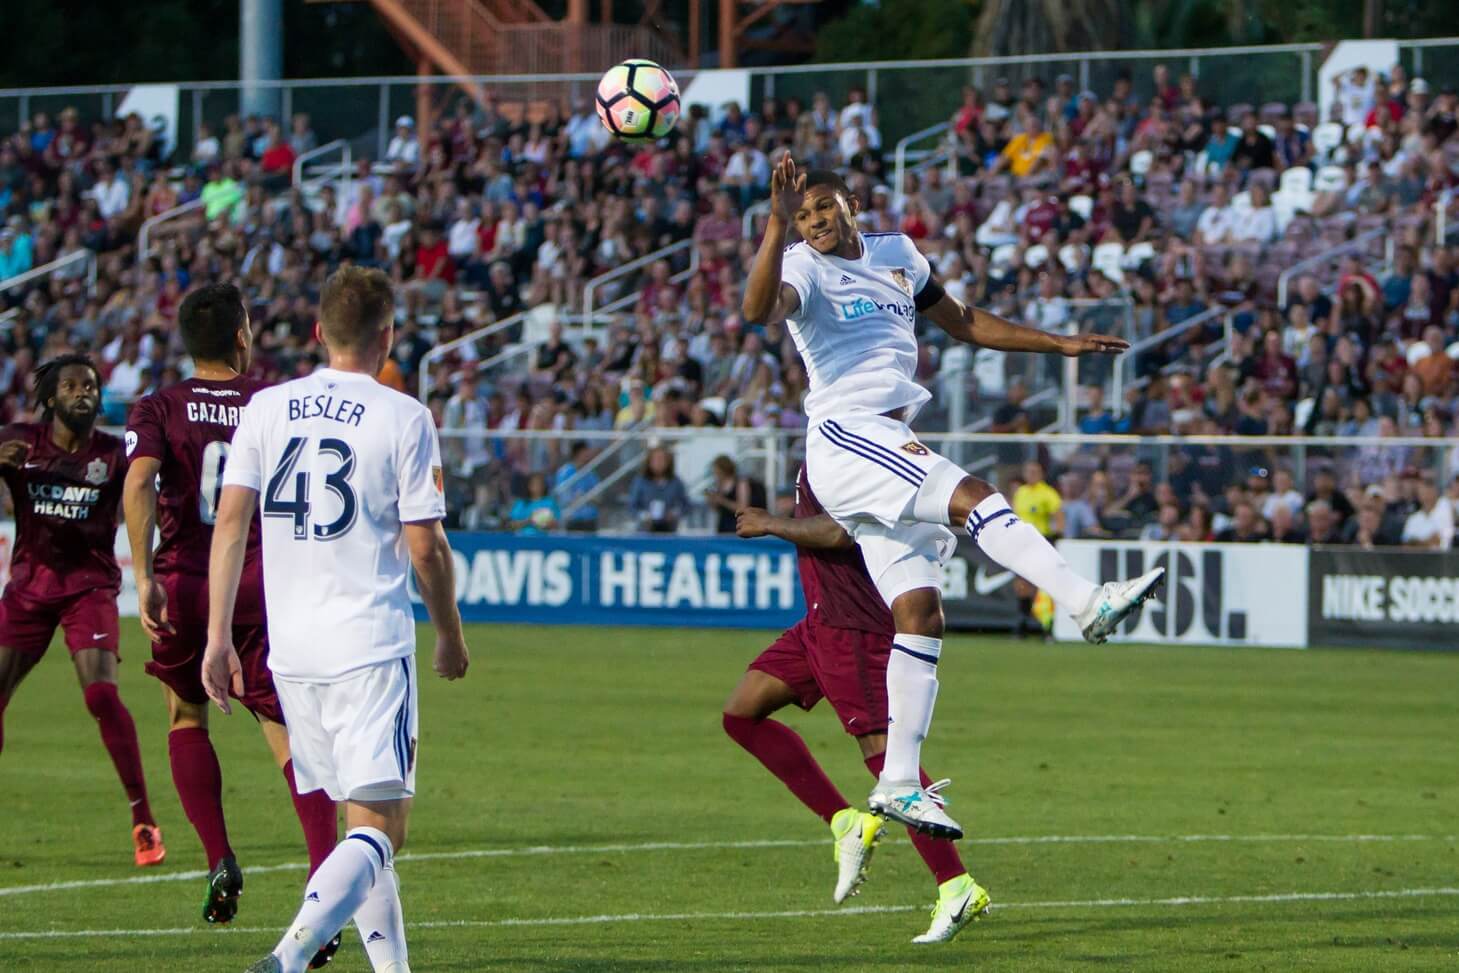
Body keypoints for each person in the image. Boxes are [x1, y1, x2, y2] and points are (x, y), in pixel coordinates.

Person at [742, 157, 1162, 840]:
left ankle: (899, 781)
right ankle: (1087, 602)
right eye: (802, 214)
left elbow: (961, 320)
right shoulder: (799, 265)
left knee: (919, 610)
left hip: (881, 438)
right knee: (977, 499)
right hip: (847, 436)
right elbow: (757, 310)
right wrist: (771, 220)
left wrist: (1053, 343)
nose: (813, 221)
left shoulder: (896, 254)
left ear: (850, 202)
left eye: (822, 207)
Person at [204, 267, 470, 973]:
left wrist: (216, 636)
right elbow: (425, 543)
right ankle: (289, 956)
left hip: (292, 651)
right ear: (388, 335)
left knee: (360, 821)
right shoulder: (402, 414)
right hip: (368, 644)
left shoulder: (266, 406)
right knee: (383, 827)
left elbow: (230, 525)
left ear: (318, 331)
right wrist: (448, 630)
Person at [122, 284, 339, 934]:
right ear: (242, 335)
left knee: (186, 711)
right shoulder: (275, 402)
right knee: (286, 726)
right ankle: (323, 868)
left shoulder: (160, 405)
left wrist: (141, 575)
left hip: (187, 582)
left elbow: (137, 480)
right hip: (265, 586)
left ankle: (219, 856)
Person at [728, 469, 988, 944]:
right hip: (819, 623)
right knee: (741, 714)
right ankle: (846, 823)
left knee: (888, 760)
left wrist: (770, 523)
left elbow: (839, 531)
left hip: (855, 627)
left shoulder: (852, 448)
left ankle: (957, 886)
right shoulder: (823, 443)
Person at [0, 354, 165, 867]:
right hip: (28, 587)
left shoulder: (115, 456)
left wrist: (151, 572)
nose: (82, 393)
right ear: (50, 397)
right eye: (70, 386)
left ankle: (143, 818)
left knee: (99, 692)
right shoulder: (18, 441)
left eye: (89, 385)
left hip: (89, 588)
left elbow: (148, 502)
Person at [627, 446, 689, 533]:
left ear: (668, 462)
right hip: (645, 530)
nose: (659, 463)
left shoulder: (676, 482)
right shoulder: (640, 481)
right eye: (655, 459)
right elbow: (632, 506)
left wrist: (675, 513)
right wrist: (643, 516)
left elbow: (686, 504)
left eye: (662, 459)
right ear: (649, 461)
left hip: (669, 530)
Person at [704, 454, 767, 534]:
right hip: (723, 528)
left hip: (737, 527)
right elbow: (716, 508)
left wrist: (722, 500)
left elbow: (742, 507)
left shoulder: (741, 483)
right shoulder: (720, 485)